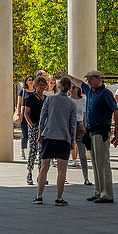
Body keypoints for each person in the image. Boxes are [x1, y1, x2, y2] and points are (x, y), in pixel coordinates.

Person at [68, 70, 118, 203]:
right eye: (88, 79)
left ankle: (107, 194)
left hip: (101, 130)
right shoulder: (90, 91)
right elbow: (79, 83)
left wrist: (117, 130)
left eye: (91, 79)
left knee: (103, 163)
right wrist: (68, 76)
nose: (88, 81)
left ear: (98, 79)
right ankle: (98, 191)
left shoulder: (106, 93)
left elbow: (115, 110)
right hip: (91, 131)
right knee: (96, 163)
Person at [32, 77, 79, 207]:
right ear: (69, 88)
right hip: (63, 138)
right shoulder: (71, 104)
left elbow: (43, 116)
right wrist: (72, 139)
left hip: (49, 136)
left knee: (44, 167)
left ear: (58, 86)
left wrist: (41, 132)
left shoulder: (50, 99)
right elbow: (72, 123)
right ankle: (59, 198)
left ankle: (39, 196)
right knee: (62, 170)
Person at [23, 76, 47, 185]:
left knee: (42, 151)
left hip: (44, 127)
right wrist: (31, 125)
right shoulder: (31, 98)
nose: (42, 87)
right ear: (36, 86)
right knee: (33, 149)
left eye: (43, 85)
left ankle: (40, 174)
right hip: (34, 126)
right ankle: (29, 172)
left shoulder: (47, 99)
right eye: (40, 85)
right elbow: (26, 113)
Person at [67, 83, 90, 185]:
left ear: (77, 89)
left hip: (80, 125)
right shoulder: (67, 99)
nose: (71, 90)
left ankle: (86, 177)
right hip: (68, 125)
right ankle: (63, 177)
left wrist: (84, 128)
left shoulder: (83, 101)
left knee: (82, 154)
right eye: (70, 88)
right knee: (65, 153)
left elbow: (84, 116)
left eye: (73, 88)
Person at [14, 75, 35, 160]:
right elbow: (19, 104)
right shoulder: (22, 92)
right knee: (25, 134)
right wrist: (18, 114)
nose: (31, 81)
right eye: (29, 80)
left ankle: (32, 152)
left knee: (33, 134)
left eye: (32, 80)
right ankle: (22, 150)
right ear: (26, 82)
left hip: (34, 114)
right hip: (24, 114)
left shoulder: (36, 91)